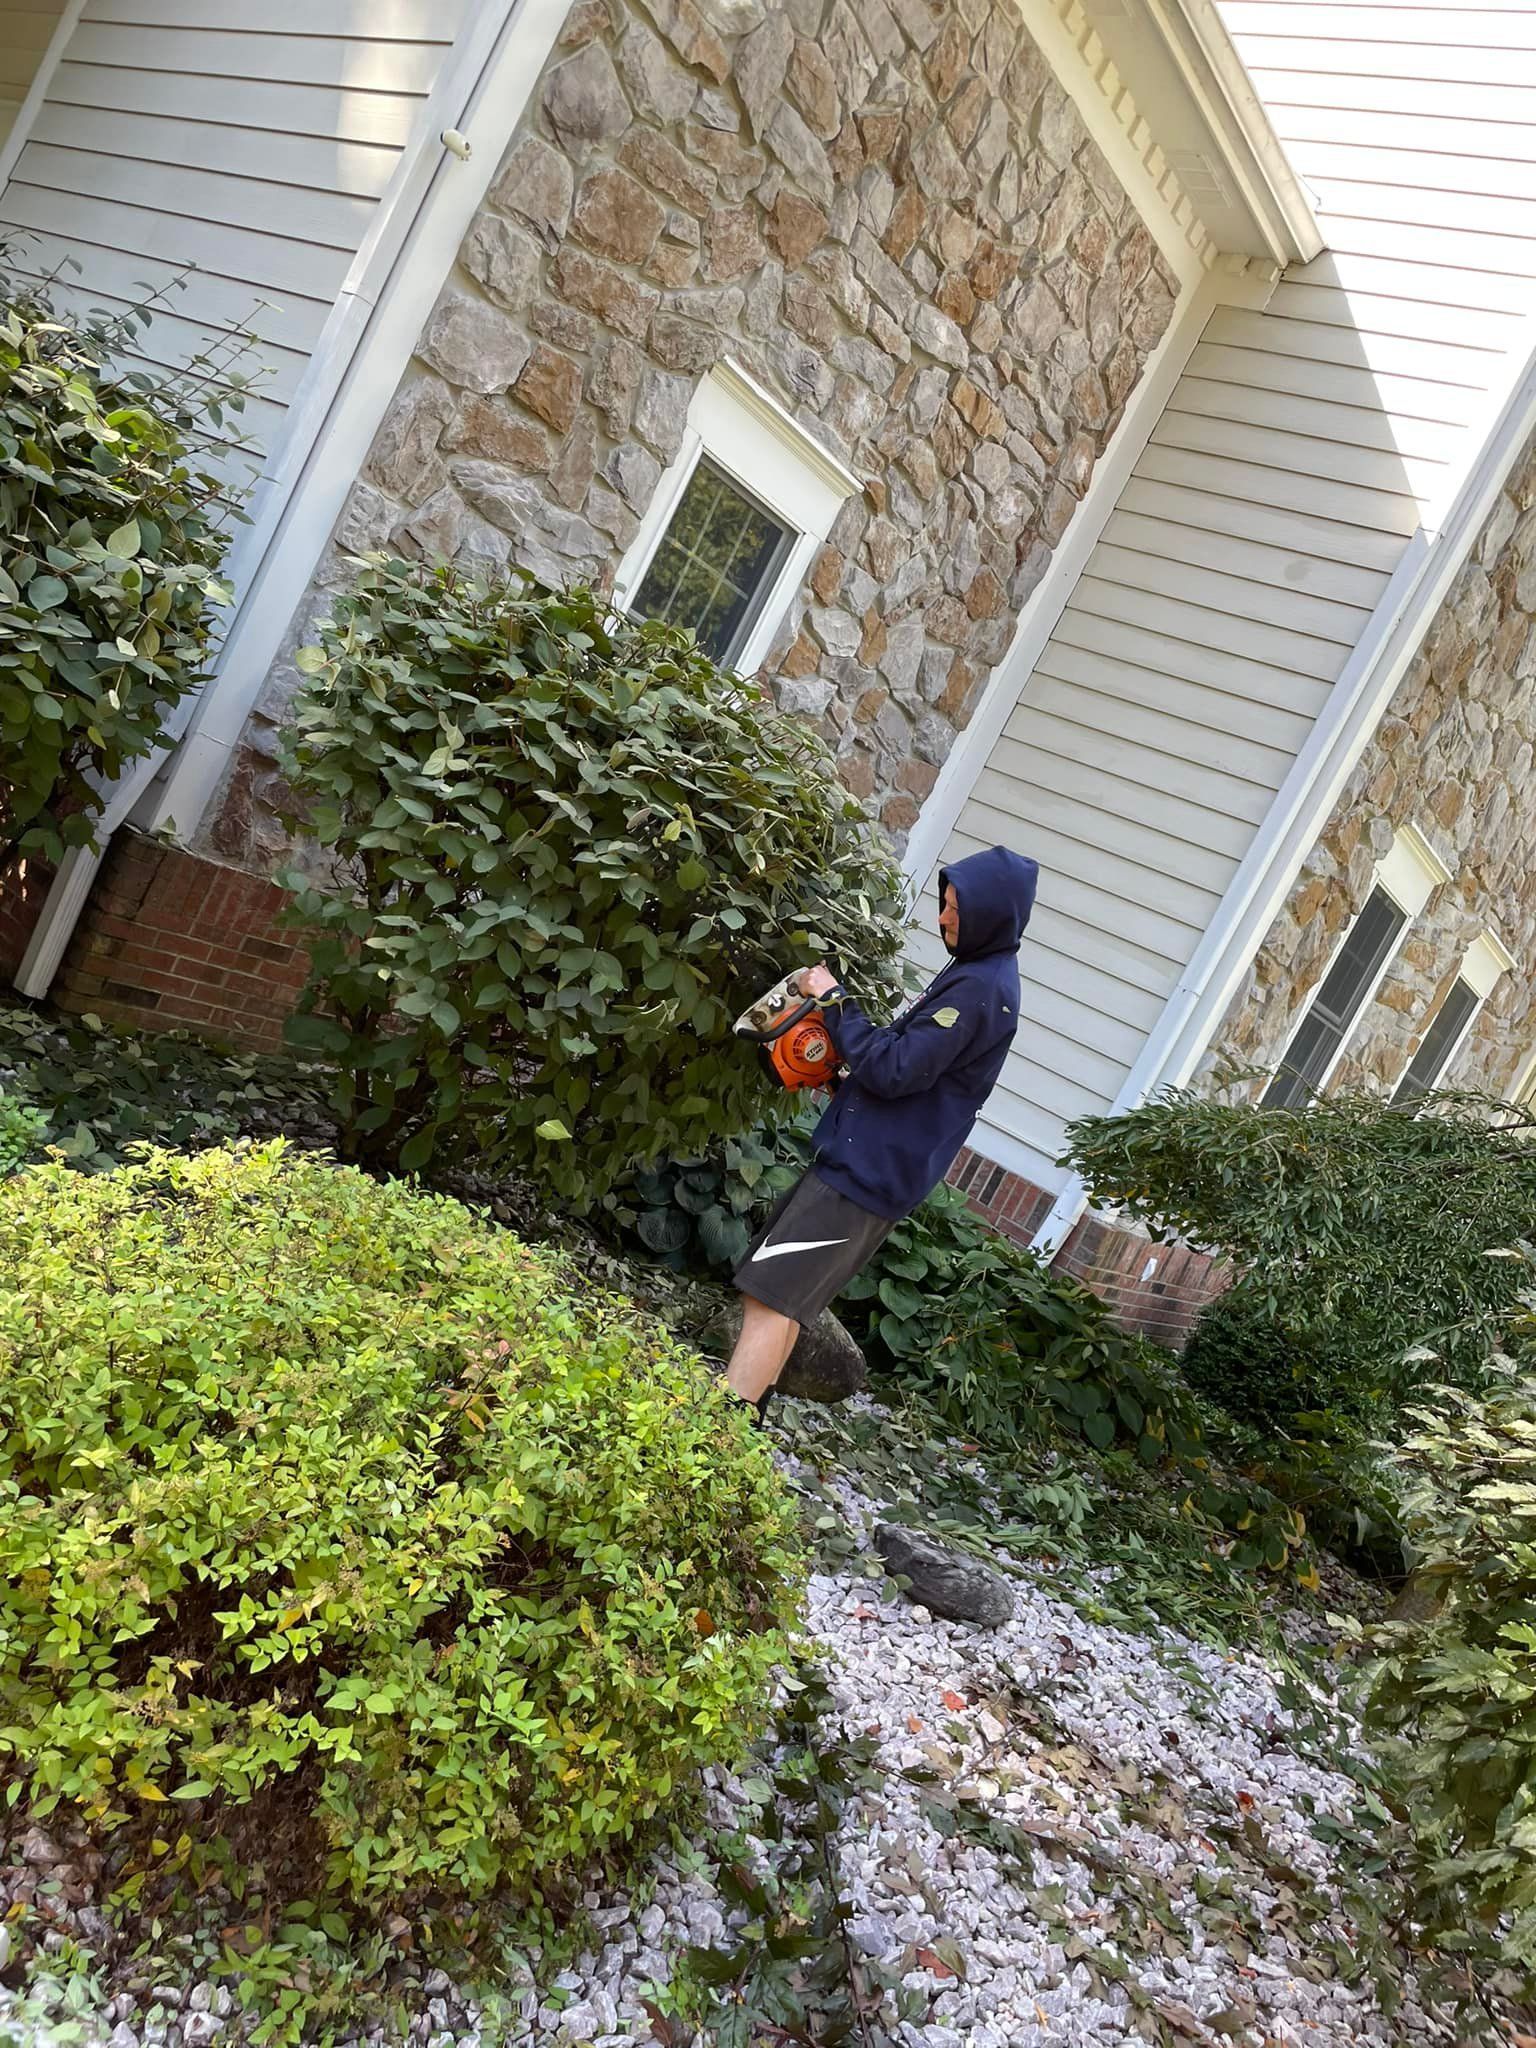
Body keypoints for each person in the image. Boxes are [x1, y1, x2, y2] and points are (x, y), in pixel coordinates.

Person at [724, 844, 1040, 1414]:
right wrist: (843, 1082)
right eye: (944, 904)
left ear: (993, 915)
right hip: (865, 1165)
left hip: (864, 1175)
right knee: (785, 1298)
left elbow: (897, 1069)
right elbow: (917, 1072)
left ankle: (713, 1434)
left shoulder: (980, 988)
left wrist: (835, 1002)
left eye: (956, 910)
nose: (943, 918)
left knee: (769, 1297)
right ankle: (743, 1429)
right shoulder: (976, 974)